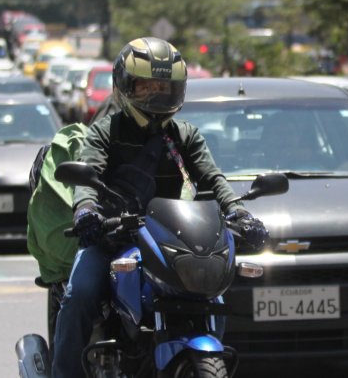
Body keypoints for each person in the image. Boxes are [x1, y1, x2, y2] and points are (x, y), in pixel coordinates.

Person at [52, 37, 268, 378]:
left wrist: (240, 214)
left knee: (213, 295)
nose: (156, 95)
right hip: (111, 237)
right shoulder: (106, 132)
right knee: (79, 295)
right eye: (146, 87)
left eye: (165, 87)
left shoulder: (186, 136)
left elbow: (213, 179)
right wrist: (86, 211)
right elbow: (87, 175)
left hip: (164, 239)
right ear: (124, 87)